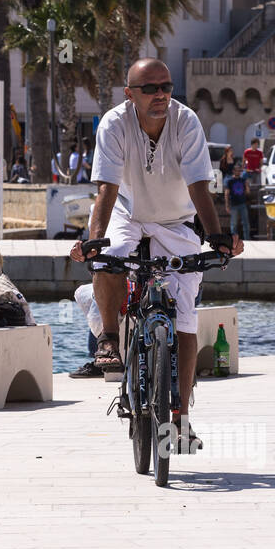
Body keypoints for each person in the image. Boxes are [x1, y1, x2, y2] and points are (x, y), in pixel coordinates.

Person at [69, 58, 243, 453]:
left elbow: (200, 184)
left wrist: (216, 237)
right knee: (109, 255)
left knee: (184, 320)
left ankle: (179, 419)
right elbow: (106, 191)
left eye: (166, 85)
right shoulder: (114, 124)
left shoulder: (187, 121)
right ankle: (110, 340)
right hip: (127, 213)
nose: (160, 94)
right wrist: (94, 241)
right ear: (130, 94)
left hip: (175, 221)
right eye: (149, 88)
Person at [226, 162, 250, 241]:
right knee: (234, 224)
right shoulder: (230, 181)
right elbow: (226, 193)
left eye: (240, 171)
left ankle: (247, 239)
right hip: (233, 205)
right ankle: (234, 240)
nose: (239, 172)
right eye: (237, 170)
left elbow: (247, 193)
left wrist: (247, 186)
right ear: (233, 171)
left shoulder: (243, 180)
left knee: (245, 222)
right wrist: (227, 205)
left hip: (242, 204)